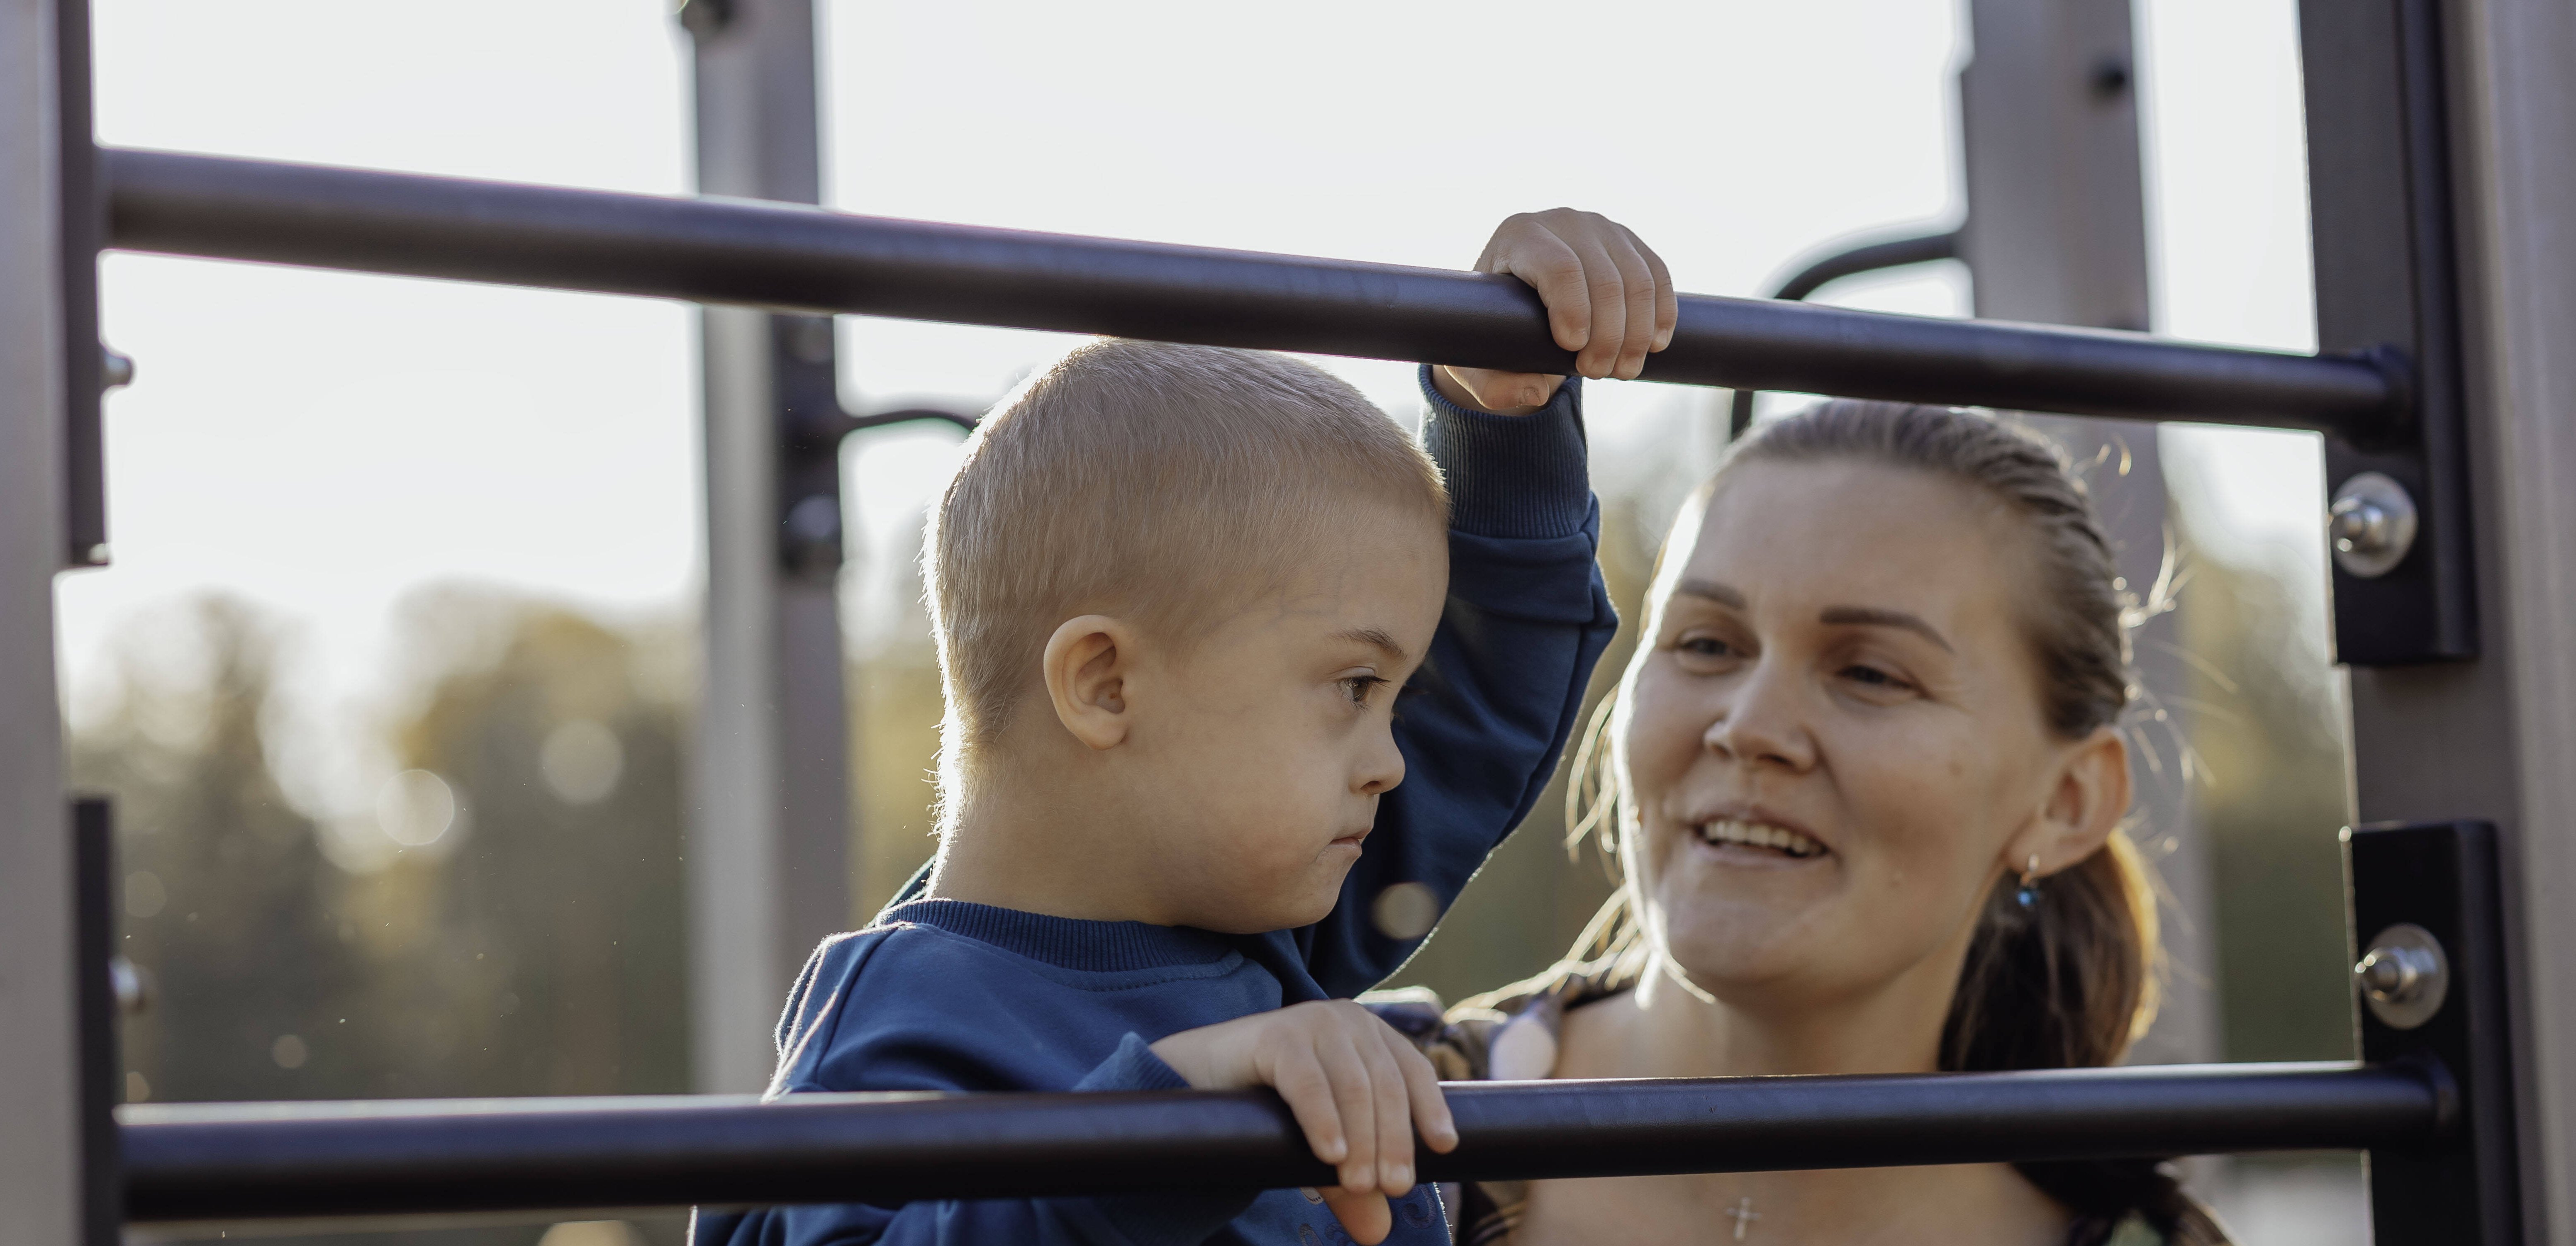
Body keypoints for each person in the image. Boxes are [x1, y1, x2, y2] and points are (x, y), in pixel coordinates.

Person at [692, 209, 1676, 1246]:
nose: (1392, 762)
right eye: (1353, 688)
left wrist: (1503, 415)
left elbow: (1478, 714)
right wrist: (1168, 1117)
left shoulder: (1254, 921)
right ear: (1108, 686)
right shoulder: (909, 1018)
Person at [1408, 400, 2229, 1246]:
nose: (1749, 726)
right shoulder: (1352, 1139)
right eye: (1706, 644)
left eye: (1871, 673)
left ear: (2067, 804)